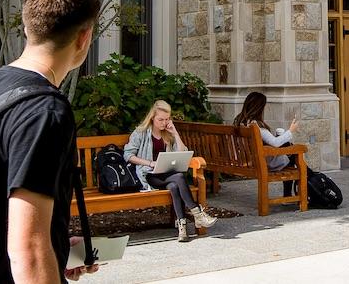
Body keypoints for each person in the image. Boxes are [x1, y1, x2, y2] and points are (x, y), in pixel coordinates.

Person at [0, 0, 102, 283]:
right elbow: (28, 248)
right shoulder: (45, 112)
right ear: (83, 39)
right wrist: (42, 253)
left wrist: (54, 246)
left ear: (28, 30)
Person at [125, 101, 217, 242]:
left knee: (174, 185)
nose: (164, 122)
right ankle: (197, 214)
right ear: (152, 118)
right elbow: (128, 156)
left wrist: (175, 133)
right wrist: (150, 163)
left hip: (168, 176)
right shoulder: (140, 133)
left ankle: (183, 229)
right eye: (160, 119)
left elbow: (183, 153)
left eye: (167, 119)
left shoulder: (168, 134)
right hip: (149, 175)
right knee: (179, 177)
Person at [233, 91, 301, 195]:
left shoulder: (238, 121)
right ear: (259, 108)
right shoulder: (255, 126)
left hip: (248, 160)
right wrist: (291, 130)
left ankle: (308, 181)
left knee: (288, 147)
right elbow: (275, 143)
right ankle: (307, 183)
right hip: (261, 162)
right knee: (293, 152)